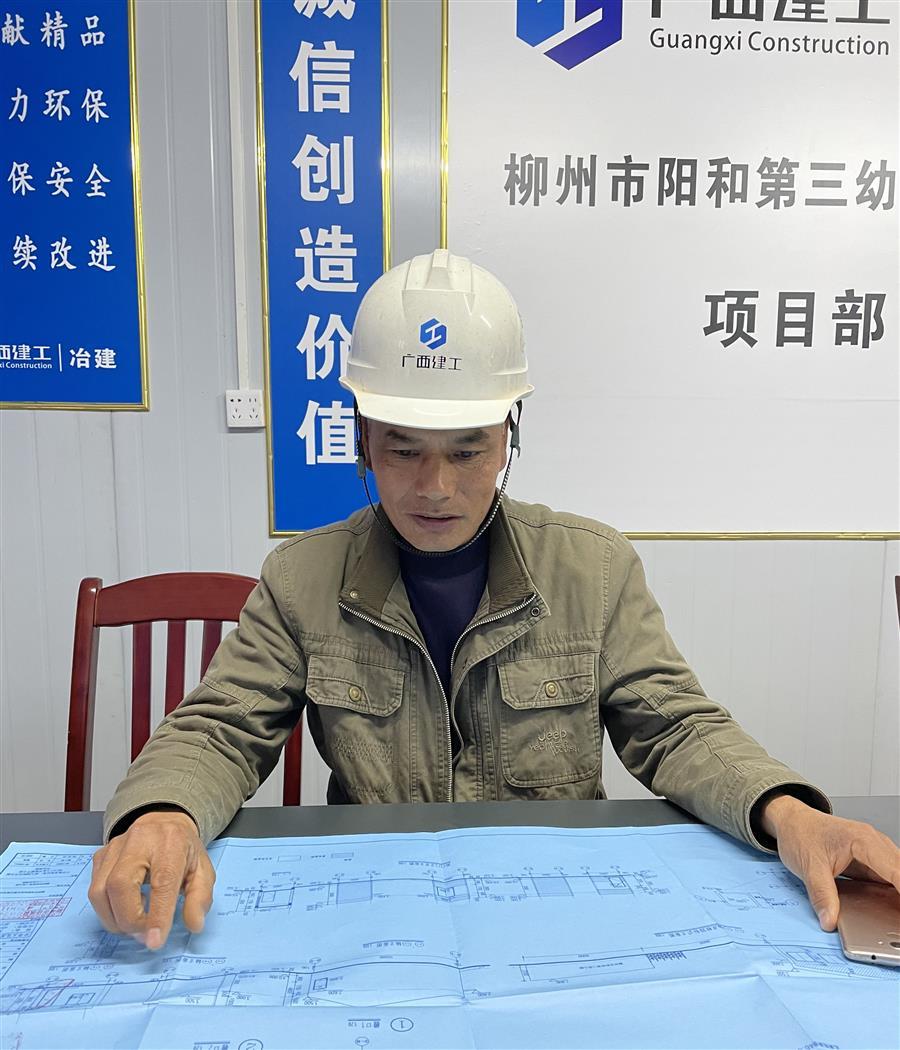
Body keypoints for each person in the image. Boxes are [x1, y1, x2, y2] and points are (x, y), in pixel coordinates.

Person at [90, 250, 900, 952]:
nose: (435, 487)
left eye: (468, 451)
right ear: (362, 438)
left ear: (510, 433)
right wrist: (161, 813)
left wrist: (792, 814)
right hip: (382, 908)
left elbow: (677, 726)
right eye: (403, 450)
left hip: (553, 910)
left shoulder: (593, 568)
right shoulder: (302, 577)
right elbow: (220, 727)